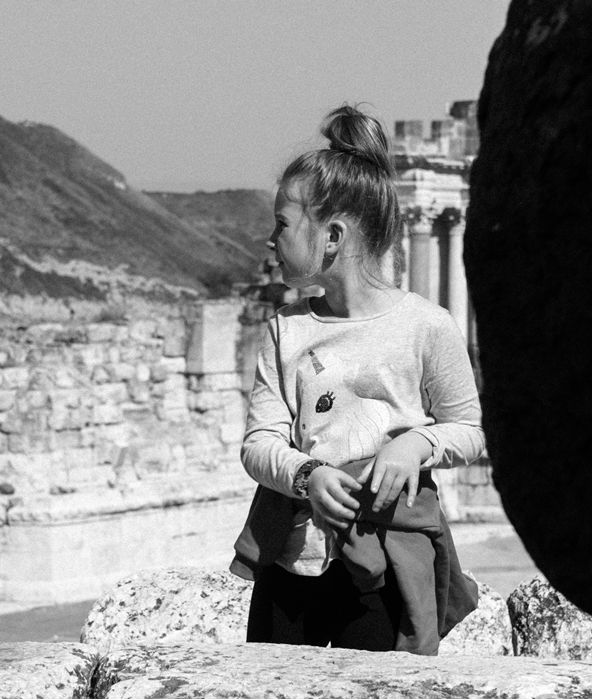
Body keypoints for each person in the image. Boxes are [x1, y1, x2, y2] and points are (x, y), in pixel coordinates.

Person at [229, 105, 485, 655]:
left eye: (281, 224)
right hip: (291, 563)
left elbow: (468, 430)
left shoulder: (427, 327)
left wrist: (417, 445)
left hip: (386, 565)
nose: (269, 239)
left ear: (333, 236)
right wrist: (308, 476)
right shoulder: (284, 329)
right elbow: (258, 443)